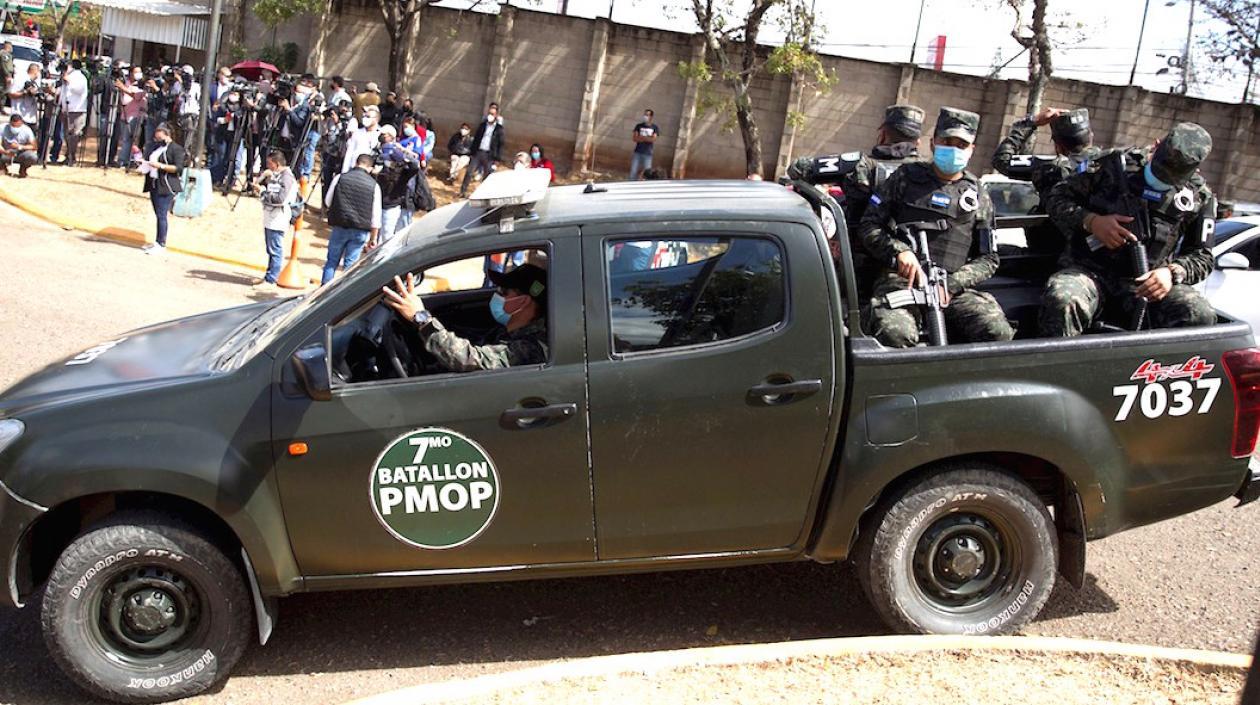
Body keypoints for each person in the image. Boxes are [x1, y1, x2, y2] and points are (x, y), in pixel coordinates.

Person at [1039, 122, 1217, 337]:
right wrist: (1091, 220)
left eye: (1169, 178)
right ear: (1155, 145)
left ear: (1193, 171)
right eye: (1158, 171)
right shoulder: (1110, 166)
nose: (1160, 179)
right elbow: (1057, 198)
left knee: (1198, 312)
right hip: (1091, 271)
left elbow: (1202, 256)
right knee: (1063, 298)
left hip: (1148, 282)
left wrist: (1171, 273)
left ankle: (1158, 369)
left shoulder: (1199, 196)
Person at [858, 107, 1014, 348]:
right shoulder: (905, 177)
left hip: (953, 286)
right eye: (946, 141)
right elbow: (870, 225)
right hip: (902, 281)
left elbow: (989, 258)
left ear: (971, 150)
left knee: (997, 332)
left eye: (961, 145)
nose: (953, 149)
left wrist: (954, 283)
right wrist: (899, 252)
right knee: (894, 332)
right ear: (932, 143)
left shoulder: (978, 194)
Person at [381, 264, 549, 372]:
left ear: (524, 301)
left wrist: (421, 319)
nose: (496, 295)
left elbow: (472, 360)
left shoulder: (530, 348)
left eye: (504, 292)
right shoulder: (508, 331)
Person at [992, 106, 1104, 204]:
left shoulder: (1052, 170)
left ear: (1058, 146)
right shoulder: (1110, 165)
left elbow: (1002, 159)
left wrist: (1031, 122)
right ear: (1091, 136)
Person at [323, 153, 382, 284]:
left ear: (356, 162)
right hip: (360, 230)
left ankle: (322, 293)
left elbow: (328, 201)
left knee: (332, 262)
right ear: (370, 168)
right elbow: (375, 217)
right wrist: (373, 238)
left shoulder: (340, 178)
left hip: (340, 225)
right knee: (350, 266)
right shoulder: (374, 186)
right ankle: (343, 297)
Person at [139, 123, 186, 255]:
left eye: (159, 137)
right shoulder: (155, 147)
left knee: (162, 214)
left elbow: (178, 168)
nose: (157, 139)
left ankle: (161, 243)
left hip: (166, 184)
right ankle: (157, 241)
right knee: (157, 213)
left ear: (167, 134)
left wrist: (161, 166)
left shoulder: (176, 149)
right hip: (154, 183)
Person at [256, 150, 298, 289]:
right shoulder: (277, 176)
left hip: (278, 218)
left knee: (275, 249)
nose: (268, 166)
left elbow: (280, 198)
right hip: (271, 217)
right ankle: (269, 275)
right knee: (271, 248)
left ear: (277, 163)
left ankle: (271, 278)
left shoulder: (286, 178)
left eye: (270, 163)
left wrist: (262, 192)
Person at [376, 124, 420, 241]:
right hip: (376, 203)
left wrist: (404, 154)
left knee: (387, 233)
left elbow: (415, 166)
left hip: (391, 205)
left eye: (391, 160)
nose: (388, 162)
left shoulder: (403, 171)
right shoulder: (380, 166)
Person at [459, 102, 504, 197]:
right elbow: (476, 139)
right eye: (489, 113)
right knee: (469, 172)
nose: (490, 116)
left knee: (487, 176)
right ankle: (462, 191)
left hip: (489, 155)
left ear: (496, 115)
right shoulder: (482, 125)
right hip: (478, 152)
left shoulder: (499, 129)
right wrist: (472, 152)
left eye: (492, 114)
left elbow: (500, 144)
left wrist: (497, 159)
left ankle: (482, 195)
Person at [51, 59, 88, 166]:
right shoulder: (66, 77)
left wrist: (69, 81)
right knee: (67, 134)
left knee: (74, 134)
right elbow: (62, 92)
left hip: (77, 109)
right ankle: (68, 156)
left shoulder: (80, 77)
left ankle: (72, 157)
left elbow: (79, 90)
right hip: (66, 109)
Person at [114, 65, 147, 169]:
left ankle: (123, 160)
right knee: (124, 139)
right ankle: (126, 159)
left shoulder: (142, 85)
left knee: (128, 139)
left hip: (135, 115)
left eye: (140, 72)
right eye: (136, 72)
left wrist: (123, 88)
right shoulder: (126, 82)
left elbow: (137, 96)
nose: (138, 74)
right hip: (124, 114)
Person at [342, 104, 381, 173]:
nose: (365, 118)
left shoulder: (380, 134)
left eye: (368, 117)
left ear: (376, 119)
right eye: (364, 116)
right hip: (352, 169)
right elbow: (349, 153)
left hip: (368, 172)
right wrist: (344, 171)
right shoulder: (357, 133)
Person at [0, 113, 37, 177]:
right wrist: (5, 152)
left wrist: (20, 147)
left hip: (20, 153)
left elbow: (34, 146)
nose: (15, 128)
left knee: (32, 156)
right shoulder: (2, 127)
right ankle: (2, 167)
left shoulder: (27, 130)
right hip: (5, 152)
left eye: (18, 126)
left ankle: (23, 169)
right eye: (13, 126)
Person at [630, 108, 660, 180]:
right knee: (633, 171)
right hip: (637, 152)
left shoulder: (654, 127)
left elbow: (653, 139)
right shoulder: (639, 126)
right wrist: (647, 138)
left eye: (647, 115)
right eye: (645, 114)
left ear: (651, 117)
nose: (645, 116)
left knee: (648, 173)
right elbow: (634, 138)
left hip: (648, 154)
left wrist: (642, 137)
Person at [0, 42, 13, 107]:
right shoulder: (5, 54)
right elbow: (4, 65)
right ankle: (1, 107)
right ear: (8, 47)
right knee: (3, 91)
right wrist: (7, 75)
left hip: (3, 75)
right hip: (3, 76)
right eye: (11, 47)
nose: (12, 49)